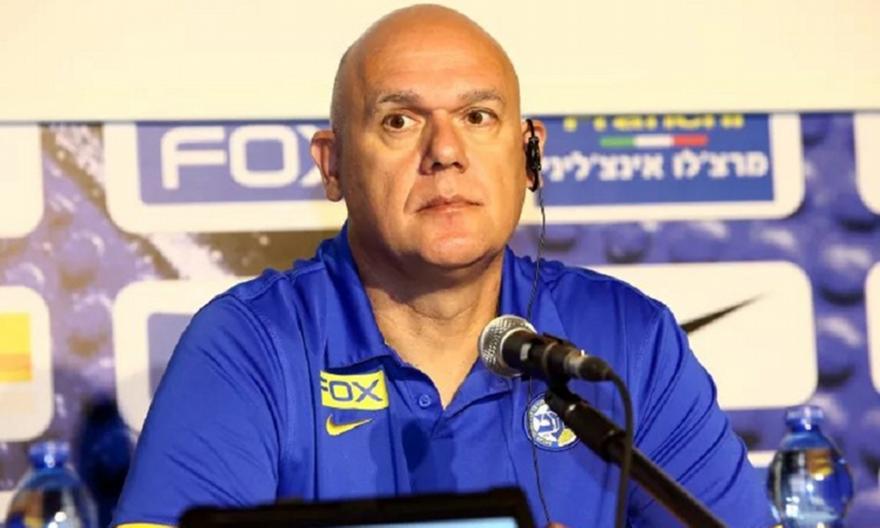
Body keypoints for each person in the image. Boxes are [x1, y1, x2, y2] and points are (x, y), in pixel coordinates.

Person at [113, 5, 774, 527]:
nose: (446, 151)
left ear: (529, 153)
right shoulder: (248, 345)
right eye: (399, 122)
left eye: (478, 116)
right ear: (333, 165)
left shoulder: (626, 340)